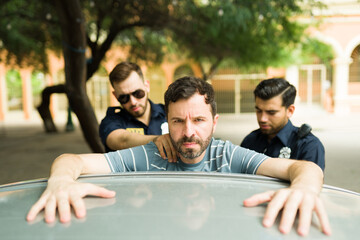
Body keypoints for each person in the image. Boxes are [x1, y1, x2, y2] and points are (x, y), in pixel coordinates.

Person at [26, 76, 331, 236]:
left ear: (214, 121)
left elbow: (305, 168)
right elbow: (71, 159)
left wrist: (303, 190)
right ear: (166, 122)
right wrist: (61, 182)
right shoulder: (147, 155)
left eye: (198, 120)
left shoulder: (228, 154)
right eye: (177, 121)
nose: (188, 132)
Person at [240, 78, 325, 170]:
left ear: (290, 111)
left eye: (271, 112)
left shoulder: (307, 145)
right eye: (258, 111)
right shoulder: (250, 141)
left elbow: (311, 182)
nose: (262, 119)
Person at [99, 62, 176, 161]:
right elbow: (122, 140)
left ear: (147, 86)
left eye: (138, 93)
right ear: (115, 96)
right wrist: (157, 140)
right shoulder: (111, 121)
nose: (133, 102)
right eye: (124, 98)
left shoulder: (169, 113)